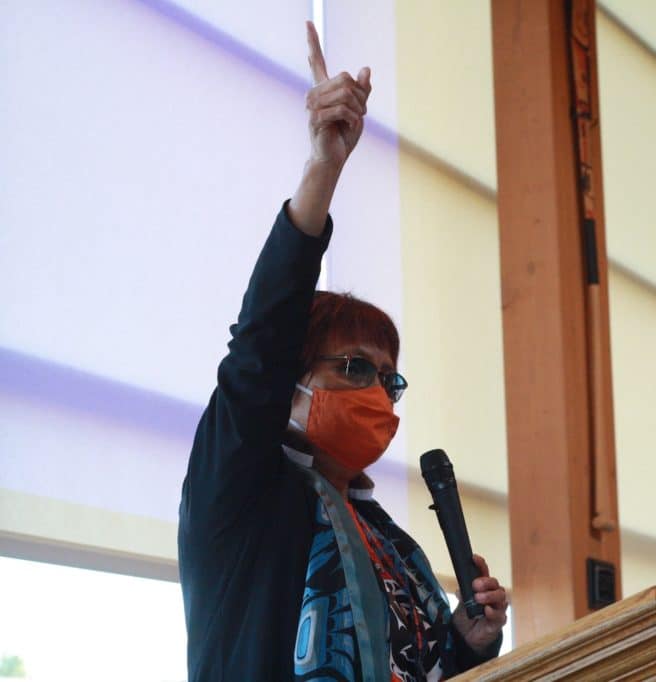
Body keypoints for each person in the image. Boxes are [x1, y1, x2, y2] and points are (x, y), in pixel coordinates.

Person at [178, 22, 508, 681]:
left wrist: (466, 641)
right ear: (293, 383)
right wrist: (324, 167)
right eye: (354, 367)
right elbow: (260, 344)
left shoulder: (391, 543)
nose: (377, 392)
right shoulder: (239, 490)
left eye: (389, 378)